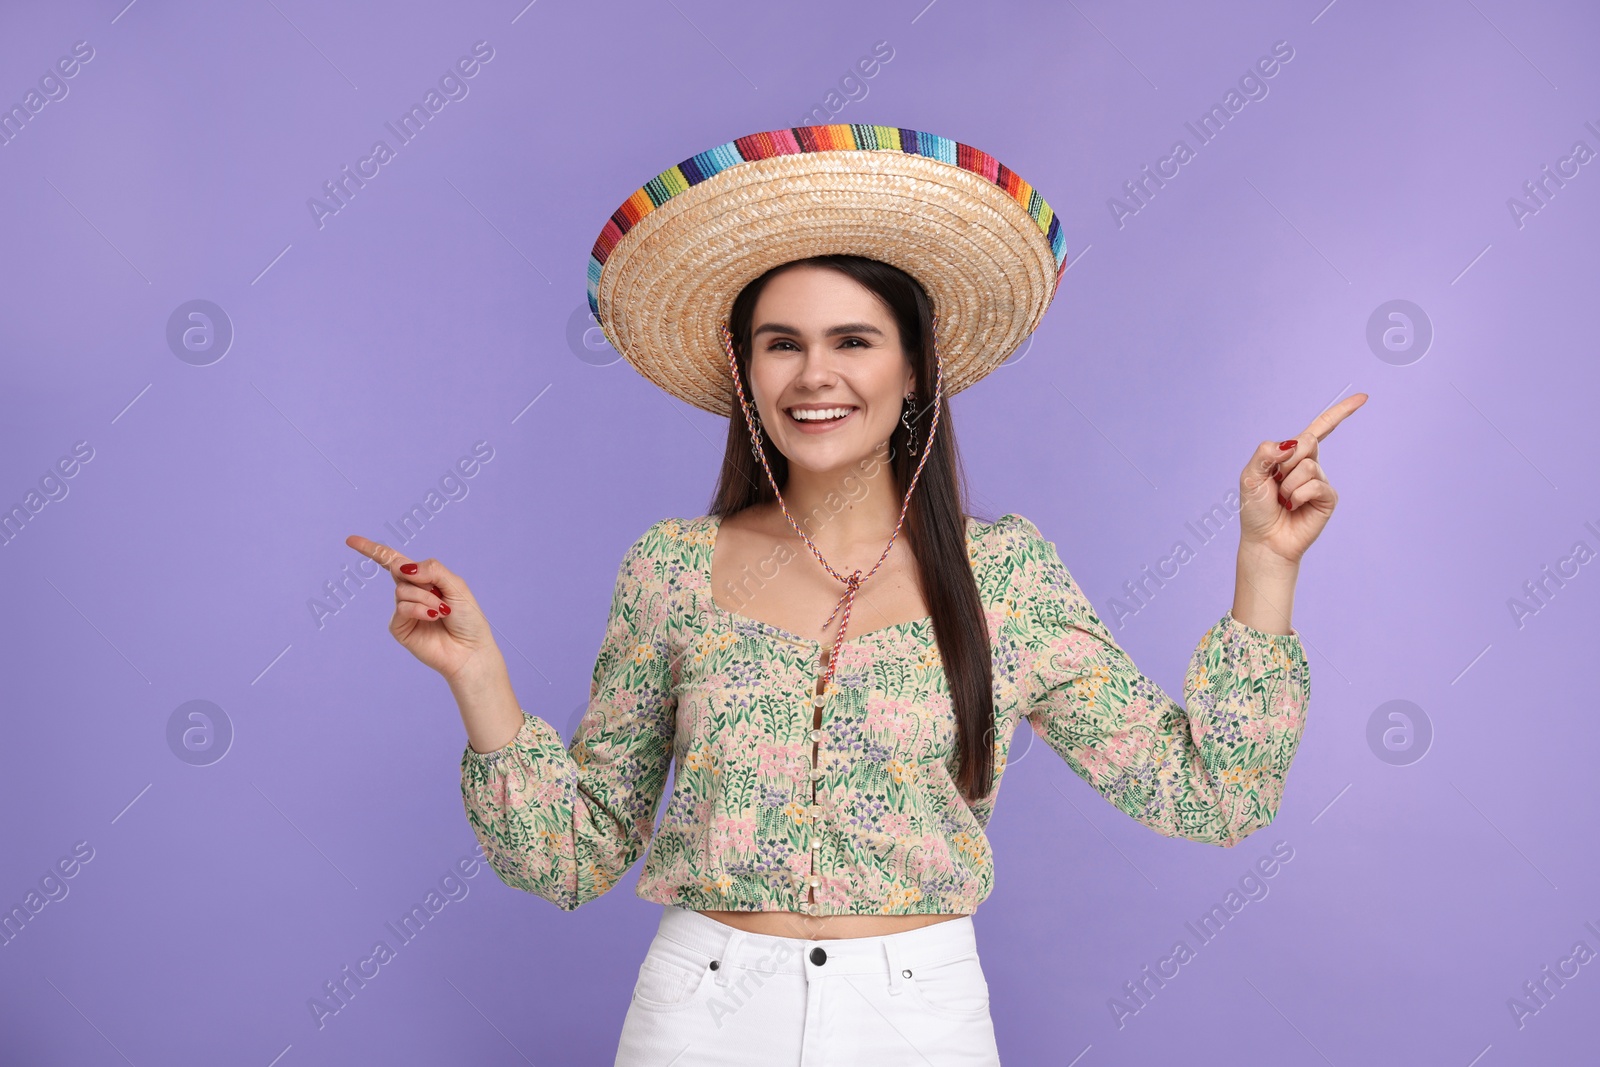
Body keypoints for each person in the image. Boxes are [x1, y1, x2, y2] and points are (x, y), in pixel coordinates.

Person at [346, 124, 1364, 1066]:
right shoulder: (672, 568)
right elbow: (569, 856)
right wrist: (477, 676)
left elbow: (1210, 794)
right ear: (746, 373)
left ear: (915, 368)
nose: (812, 374)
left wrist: (1265, 565)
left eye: (852, 340)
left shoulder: (1001, 575)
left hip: (917, 1015)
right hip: (699, 1013)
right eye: (780, 342)